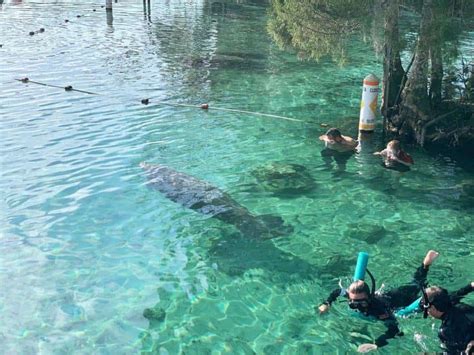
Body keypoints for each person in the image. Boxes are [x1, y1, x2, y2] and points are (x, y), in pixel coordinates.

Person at [318, 250, 439, 353]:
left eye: (362, 303)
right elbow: (337, 292)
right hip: (386, 296)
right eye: (353, 303)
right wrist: (327, 303)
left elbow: (394, 329)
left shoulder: (378, 310)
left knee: (417, 284)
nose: (358, 307)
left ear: (369, 297)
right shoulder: (353, 297)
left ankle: (426, 264)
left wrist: (376, 344)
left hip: (400, 299)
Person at [422, 282, 474, 354]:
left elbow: (453, 353)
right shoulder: (450, 299)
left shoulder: (445, 331)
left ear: (433, 308)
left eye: (425, 306)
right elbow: (465, 290)